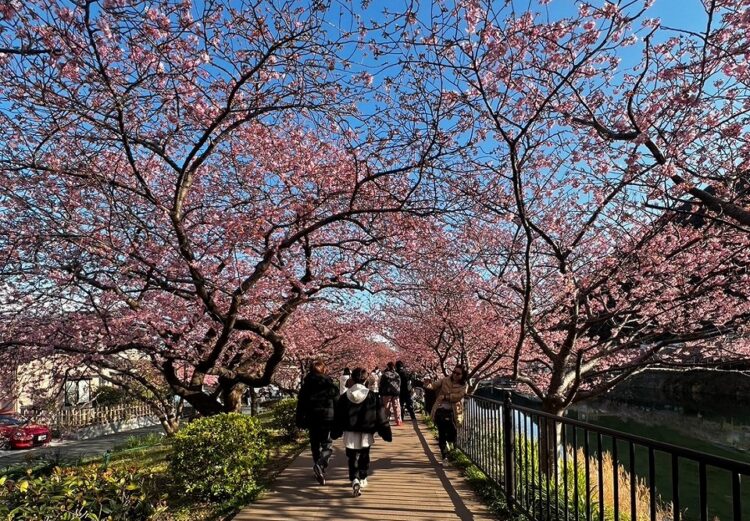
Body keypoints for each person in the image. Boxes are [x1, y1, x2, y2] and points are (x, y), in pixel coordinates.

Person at [332, 367, 392, 497]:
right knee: (364, 455)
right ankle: (363, 477)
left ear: (352, 379)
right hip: (366, 431)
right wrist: (385, 431)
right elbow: (380, 416)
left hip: (349, 432)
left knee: (352, 456)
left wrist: (335, 432)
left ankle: (354, 478)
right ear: (366, 380)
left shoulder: (344, 397)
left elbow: (338, 417)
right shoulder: (372, 396)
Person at [295, 359, 340, 485]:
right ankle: (320, 465)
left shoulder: (306, 386)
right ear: (324, 370)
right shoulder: (330, 385)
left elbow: (301, 405)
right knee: (327, 444)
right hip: (327, 418)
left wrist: (299, 420)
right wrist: (339, 419)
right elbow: (337, 403)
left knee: (314, 444)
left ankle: (318, 466)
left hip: (312, 418)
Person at [425, 365, 468, 465]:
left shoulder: (464, 385)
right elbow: (434, 385)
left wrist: (446, 397)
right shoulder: (445, 380)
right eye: (454, 372)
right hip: (440, 410)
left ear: (463, 375)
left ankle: (452, 446)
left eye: (458, 373)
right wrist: (428, 384)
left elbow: (459, 396)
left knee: (453, 432)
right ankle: (444, 456)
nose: (455, 375)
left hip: (454, 412)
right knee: (442, 433)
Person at [378, 362, 402, 426]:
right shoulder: (397, 374)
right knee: (396, 406)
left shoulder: (385, 374)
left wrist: (380, 392)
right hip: (396, 392)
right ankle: (398, 420)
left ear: (388, 367)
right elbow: (399, 383)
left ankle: (386, 420)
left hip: (387, 392)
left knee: (386, 406)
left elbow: (381, 384)